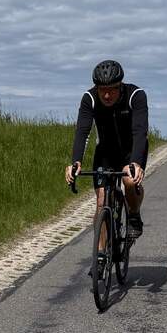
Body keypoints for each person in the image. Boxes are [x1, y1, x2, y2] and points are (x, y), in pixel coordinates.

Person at [65, 60, 148, 239]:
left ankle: (134, 214)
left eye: (112, 89)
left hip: (131, 151)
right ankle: (101, 254)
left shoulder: (135, 95)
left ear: (121, 85)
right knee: (101, 202)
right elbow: (82, 132)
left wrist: (135, 162)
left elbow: (140, 131)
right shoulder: (90, 98)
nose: (107, 95)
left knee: (129, 181)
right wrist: (76, 162)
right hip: (105, 153)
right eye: (102, 90)